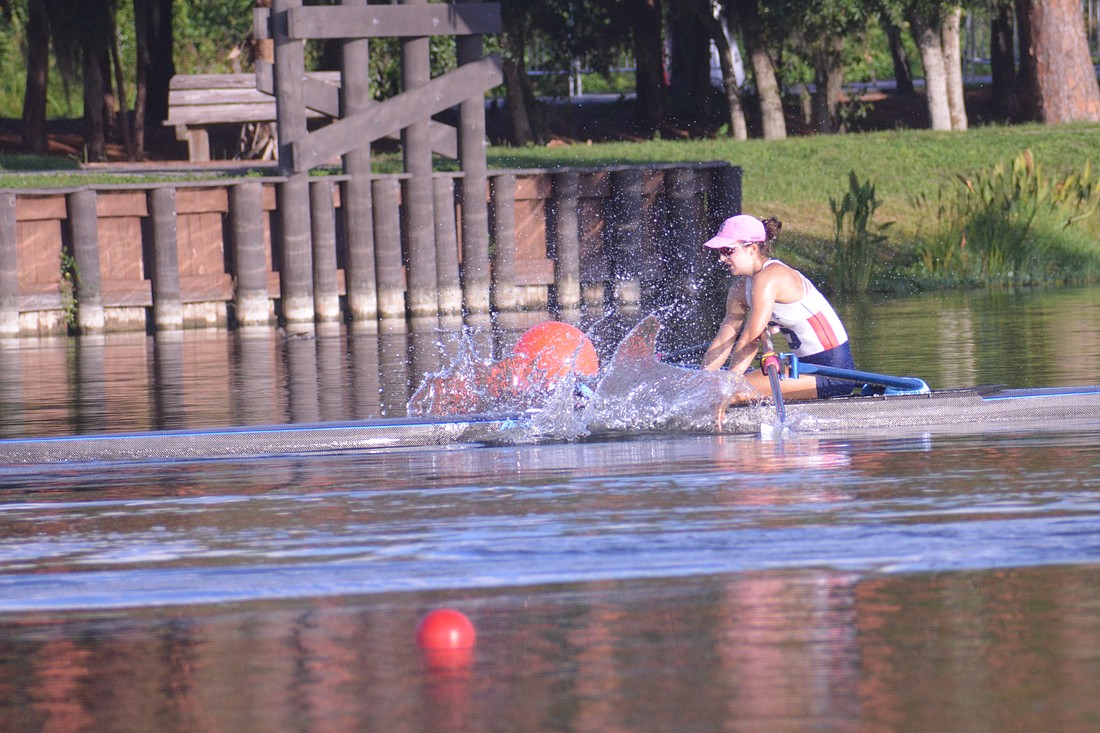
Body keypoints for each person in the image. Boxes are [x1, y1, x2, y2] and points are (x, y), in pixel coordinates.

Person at [701, 214, 855, 403]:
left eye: (728, 250)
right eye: (720, 251)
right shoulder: (739, 290)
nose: (722, 258)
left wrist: (727, 390)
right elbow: (725, 337)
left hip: (834, 374)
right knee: (711, 388)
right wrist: (703, 379)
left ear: (752, 249)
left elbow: (750, 339)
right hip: (802, 368)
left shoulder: (771, 277)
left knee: (729, 391)